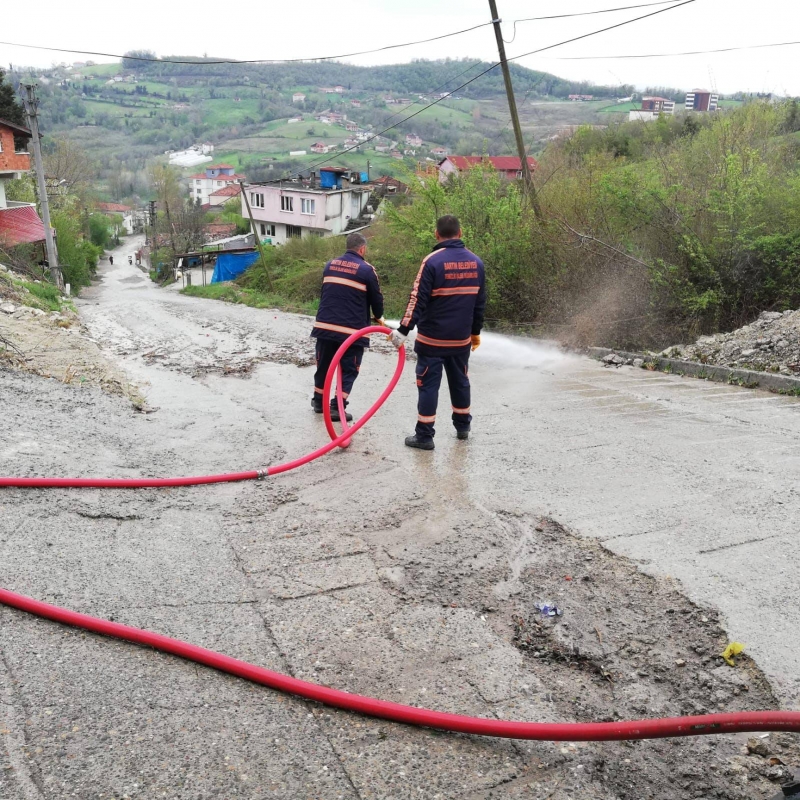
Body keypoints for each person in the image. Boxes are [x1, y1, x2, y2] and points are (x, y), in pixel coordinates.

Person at [388, 215, 486, 450]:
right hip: (460, 341)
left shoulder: (431, 262)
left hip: (432, 340)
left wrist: (403, 330)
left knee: (429, 385)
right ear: (460, 233)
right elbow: (479, 303)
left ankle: (424, 436)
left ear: (436, 234)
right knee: (460, 381)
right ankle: (463, 427)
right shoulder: (477, 263)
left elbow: (417, 299)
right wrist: (475, 333)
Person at [311, 232, 384, 422]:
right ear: (362, 249)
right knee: (349, 369)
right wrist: (378, 317)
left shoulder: (329, 265)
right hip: (352, 332)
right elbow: (377, 300)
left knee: (324, 365)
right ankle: (336, 408)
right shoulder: (367, 270)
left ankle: (318, 402)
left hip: (325, 326)